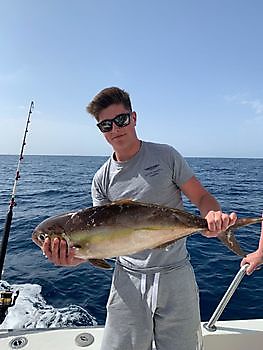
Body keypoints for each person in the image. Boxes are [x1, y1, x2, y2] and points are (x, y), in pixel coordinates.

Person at [43, 87, 238, 350]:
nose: (115, 129)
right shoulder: (101, 180)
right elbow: (100, 242)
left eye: (121, 120)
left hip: (175, 273)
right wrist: (73, 259)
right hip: (128, 279)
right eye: (105, 125)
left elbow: (201, 196)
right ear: (101, 130)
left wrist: (211, 215)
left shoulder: (165, 156)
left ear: (134, 118)